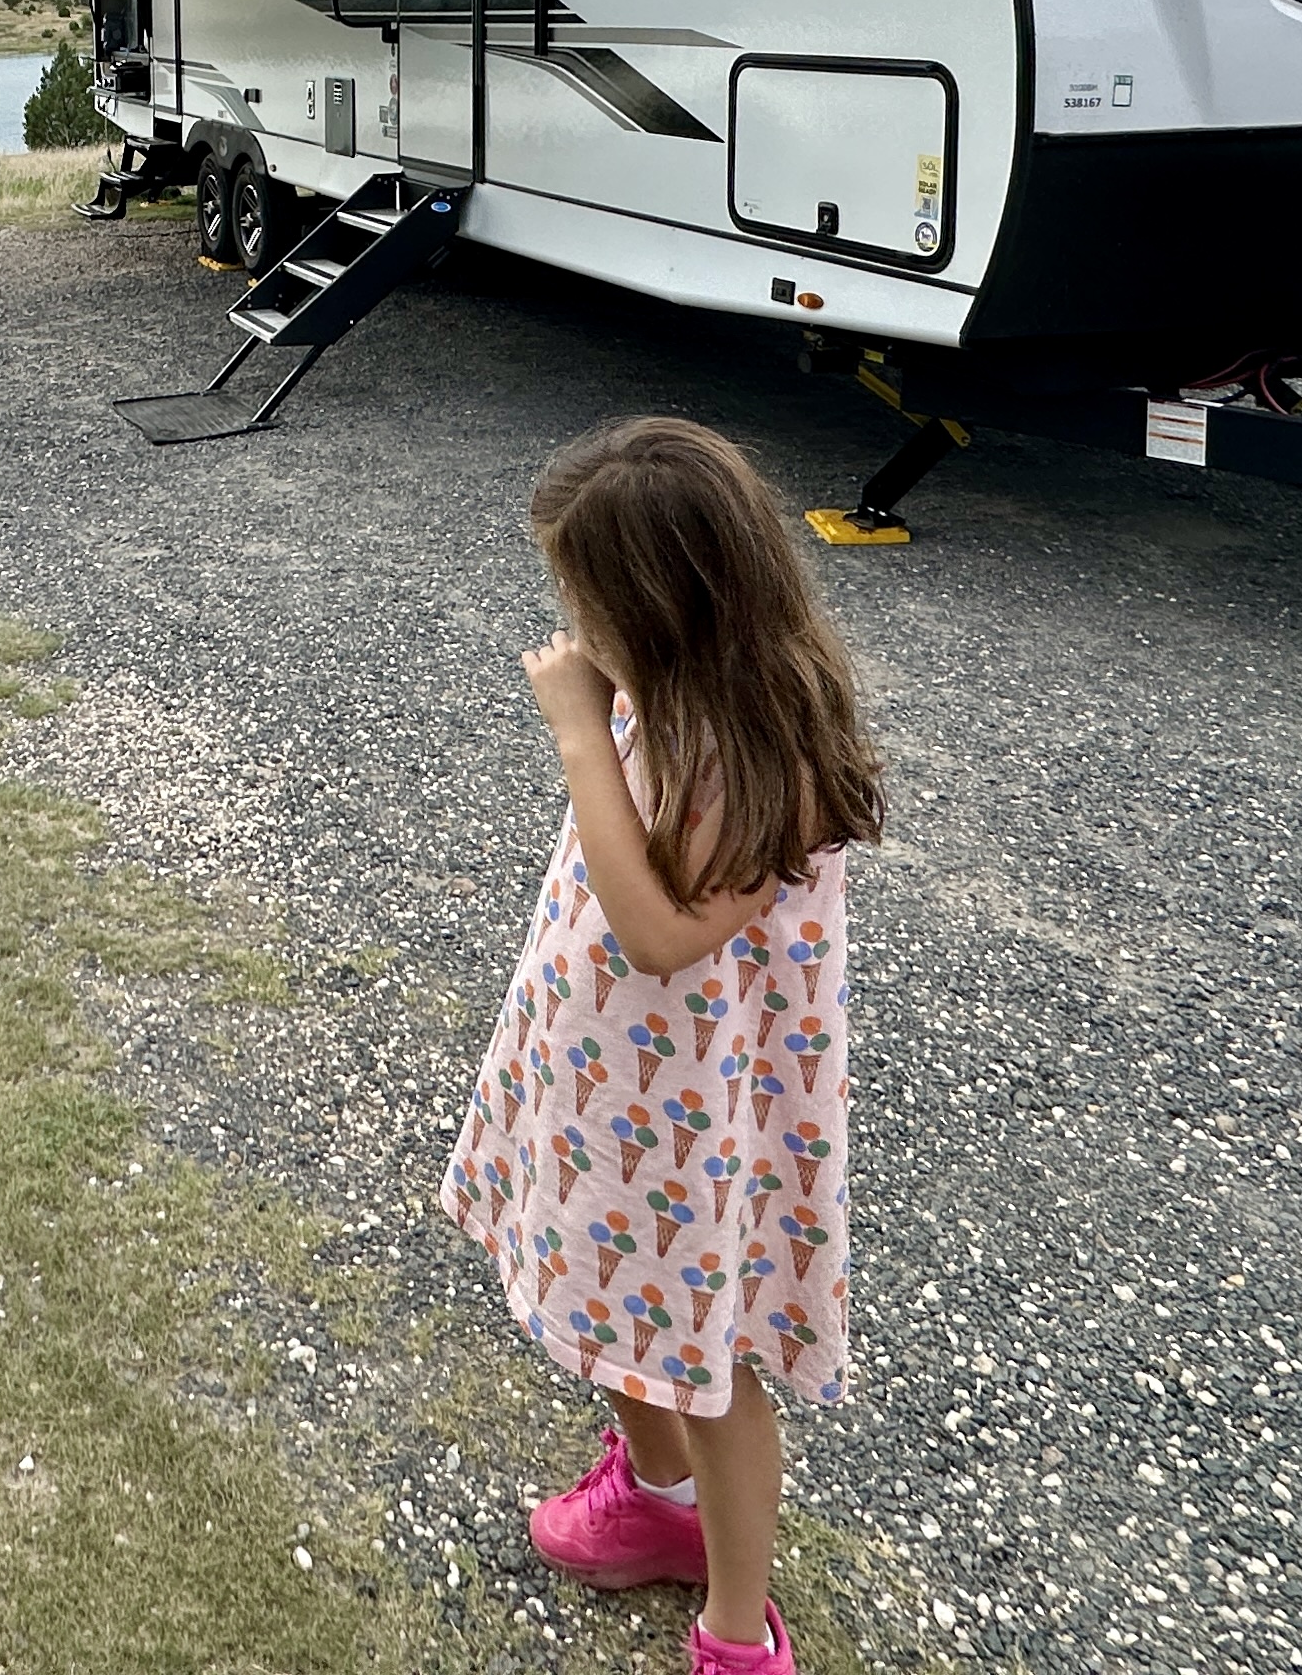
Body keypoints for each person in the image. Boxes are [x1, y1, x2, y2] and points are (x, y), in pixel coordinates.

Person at [439, 416, 888, 1675]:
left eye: (590, 605)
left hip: (704, 1124)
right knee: (621, 1301)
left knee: (715, 1354)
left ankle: (739, 1634)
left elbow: (654, 932)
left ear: (670, 605)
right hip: (608, 1093)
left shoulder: (777, 752)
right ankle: (654, 1497)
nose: (576, 634)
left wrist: (579, 730)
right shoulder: (672, 697)